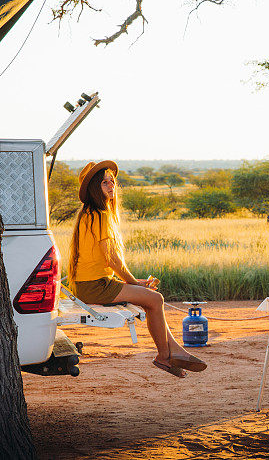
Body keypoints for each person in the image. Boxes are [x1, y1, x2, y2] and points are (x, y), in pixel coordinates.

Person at [68, 160, 206, 378]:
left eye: (112, 182)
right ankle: (164, 355)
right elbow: (112, 259)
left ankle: (174, 351)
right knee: (155, 299)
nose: (111, 186)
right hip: (95, 286)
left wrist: (134, 283)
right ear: (95, 188)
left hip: (92, 284)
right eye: (104, 183)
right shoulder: (101, 215)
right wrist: (132, 282)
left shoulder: (90, 214)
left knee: (151, 298)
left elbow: (107, 263)